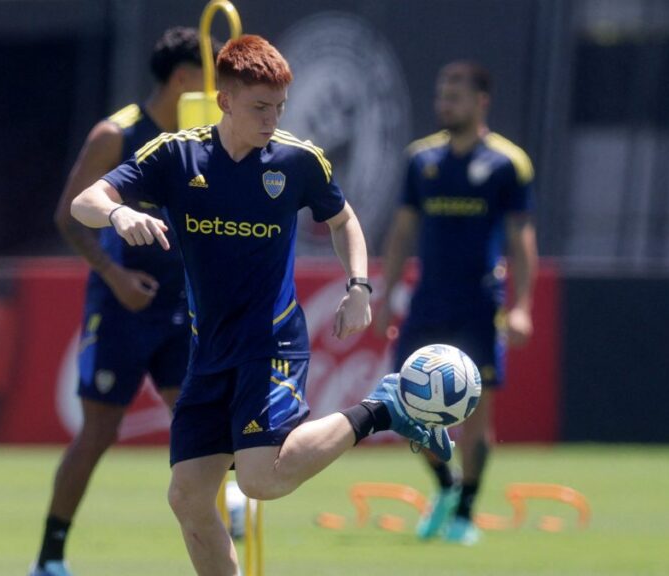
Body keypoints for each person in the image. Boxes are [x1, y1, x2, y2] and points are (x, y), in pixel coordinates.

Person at [72, 35, 455, 576]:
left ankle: (385, 406)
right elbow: (85, 201)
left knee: (260, 479)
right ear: (224, 99)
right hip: (208, 351)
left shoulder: (298, 162)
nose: (271, 119)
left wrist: (359, 286)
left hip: (271, 342)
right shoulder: (176, 156)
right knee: (187, 497)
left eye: (279, 107)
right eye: (259, 107)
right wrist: (117, 215)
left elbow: (344, 220)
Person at [31, 27, 219, 576]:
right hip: (120, 308)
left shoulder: (200, 137)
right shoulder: (118, 133)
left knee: (198, 423)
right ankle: (49, 556)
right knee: (99, 433)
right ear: (183, 77)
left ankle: (217, 530)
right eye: (207, 75)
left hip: (180, 308)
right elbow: (68, 216)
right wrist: (114, 276)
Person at [377, 61, 539, 546]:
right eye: (441, 94)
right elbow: (404, 229)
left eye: (455, 95)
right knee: (406, 408)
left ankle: (466, 513)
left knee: (477, 417)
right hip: (427, 304)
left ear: (481, 101)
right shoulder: (420, 160)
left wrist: (523, 306)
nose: (444, 103)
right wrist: (384, 294)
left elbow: (521, 237)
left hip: (479, 305)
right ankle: (446, 488)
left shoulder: (508, 164)